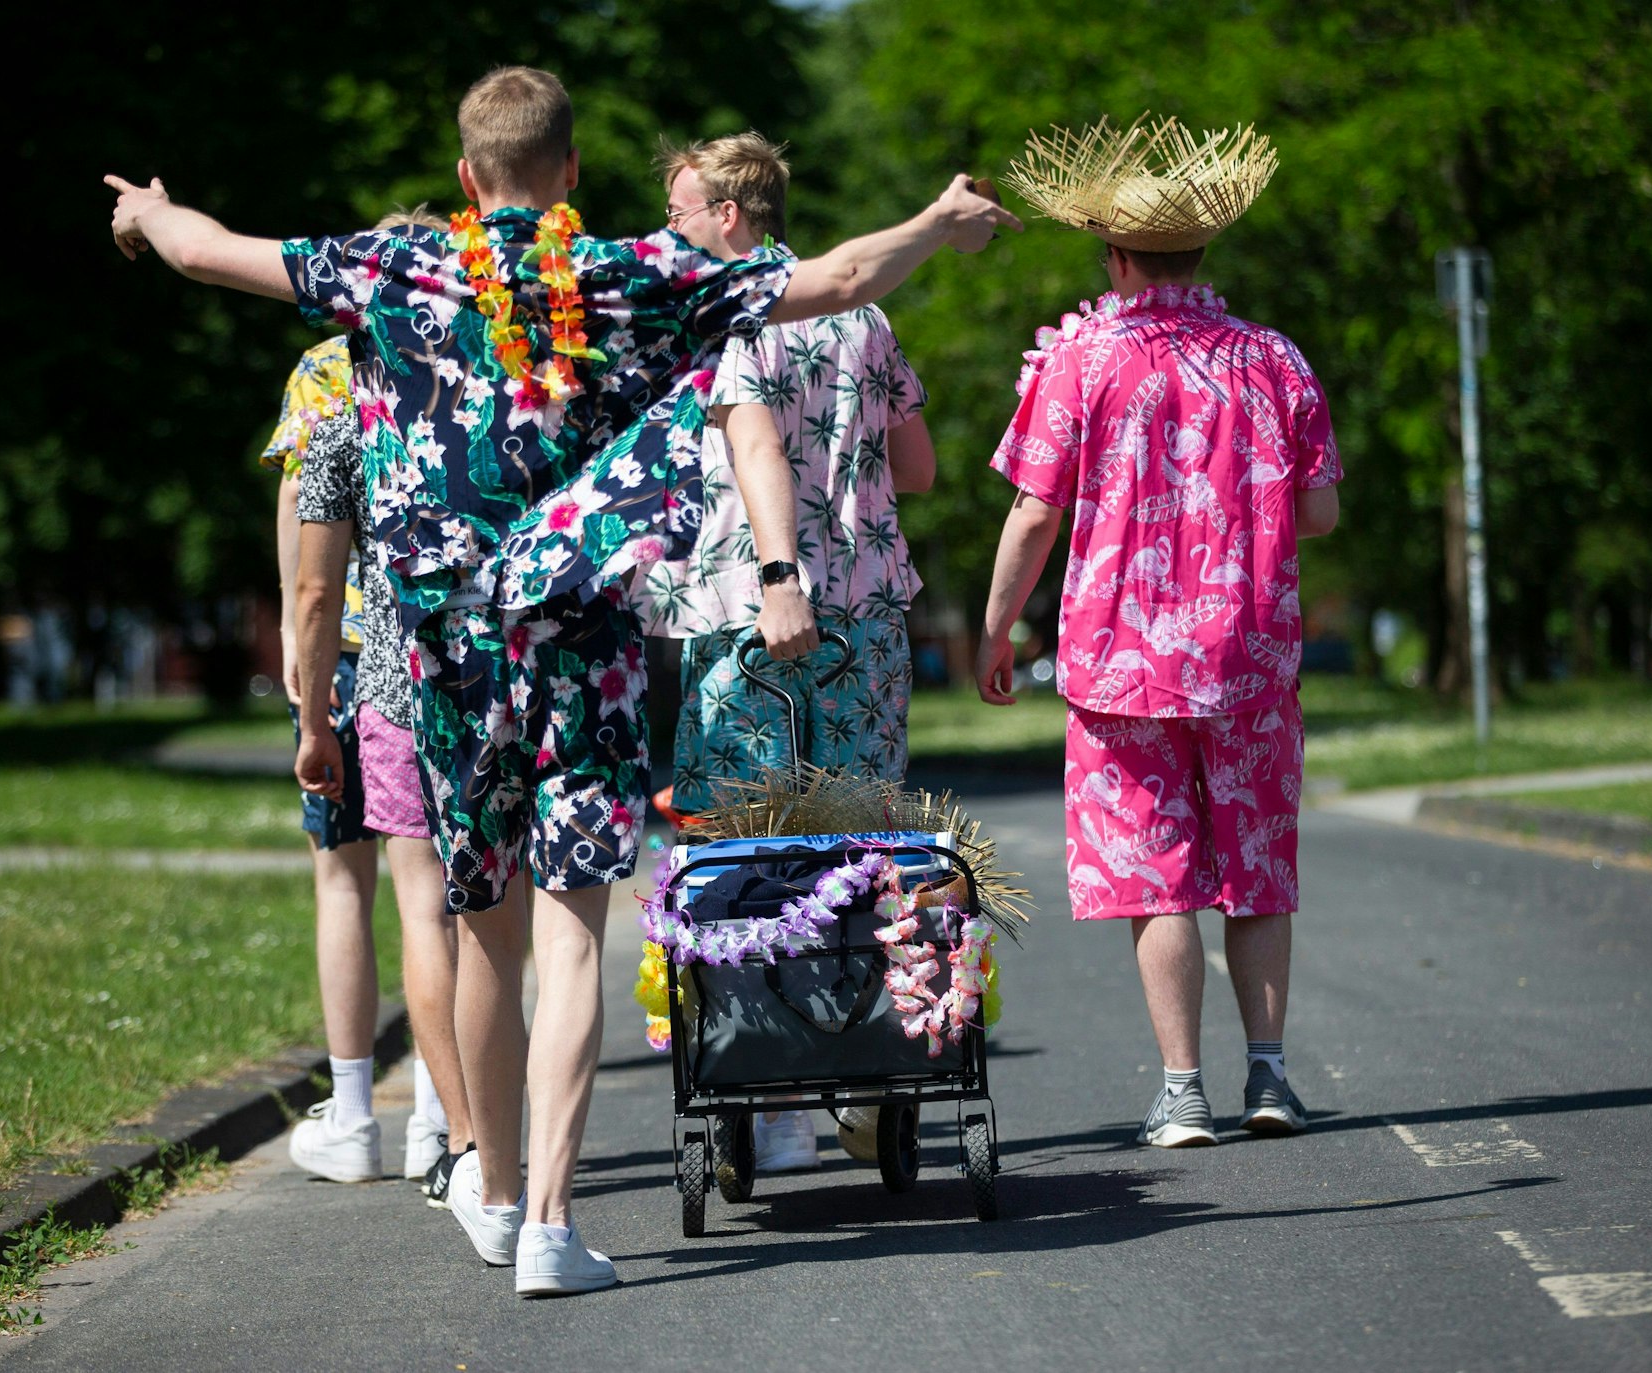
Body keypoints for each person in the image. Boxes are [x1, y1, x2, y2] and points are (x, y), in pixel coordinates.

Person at [106, 64, 1017, 1296]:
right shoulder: (625, 274)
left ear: (467, 176)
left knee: (477, 928)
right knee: (571, 931)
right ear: (573, 174)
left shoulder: (392, 269)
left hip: (435, 652)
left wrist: (149, 215)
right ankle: (546, 1222)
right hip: (575, 639)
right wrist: (938, 223)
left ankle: (488, 1192)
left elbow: (215, 252)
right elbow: (837, 279)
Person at [976, 115, 1341, 1148]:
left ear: (1113, 255)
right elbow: (1315, 511)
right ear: (1199, 248)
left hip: (1118, 659)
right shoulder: (1271, 357)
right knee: (1254, 865)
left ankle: (1181, 1090)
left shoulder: (1081, 358)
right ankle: (1266, 1077)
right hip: (1248, 655)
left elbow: (1034, 509)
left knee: (1157, 874)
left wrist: (998, 626)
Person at [633, 132, 934, 1174]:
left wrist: (776, 565)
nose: (665, 232)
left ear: (727, 216)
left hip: (743, 604)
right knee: (860, 838)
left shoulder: (719, 313)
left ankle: (765, 1092)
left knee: (740, 845)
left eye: (676, 213)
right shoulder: (864, 310)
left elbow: (751, 443)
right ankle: (867, 1067)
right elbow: (920, 466)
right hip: (865, 605)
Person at [289, 209, 479, 1209]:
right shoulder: (500, 384)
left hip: (387, 680)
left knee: (391, 899)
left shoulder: (332, 399)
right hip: (500, 679)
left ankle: (409, 1124)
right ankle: (459, 1129)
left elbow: (312, 583)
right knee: (493, 913)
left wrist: (307, 690)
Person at [264, 336, 388, 1183]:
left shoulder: (326, 365)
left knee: (343, 877)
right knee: (444, 891)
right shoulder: (475, 341)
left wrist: (290, 636)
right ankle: (452, 1125)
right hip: (437, 648)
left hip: (340, 647)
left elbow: (297, 506)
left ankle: (352, 1115)